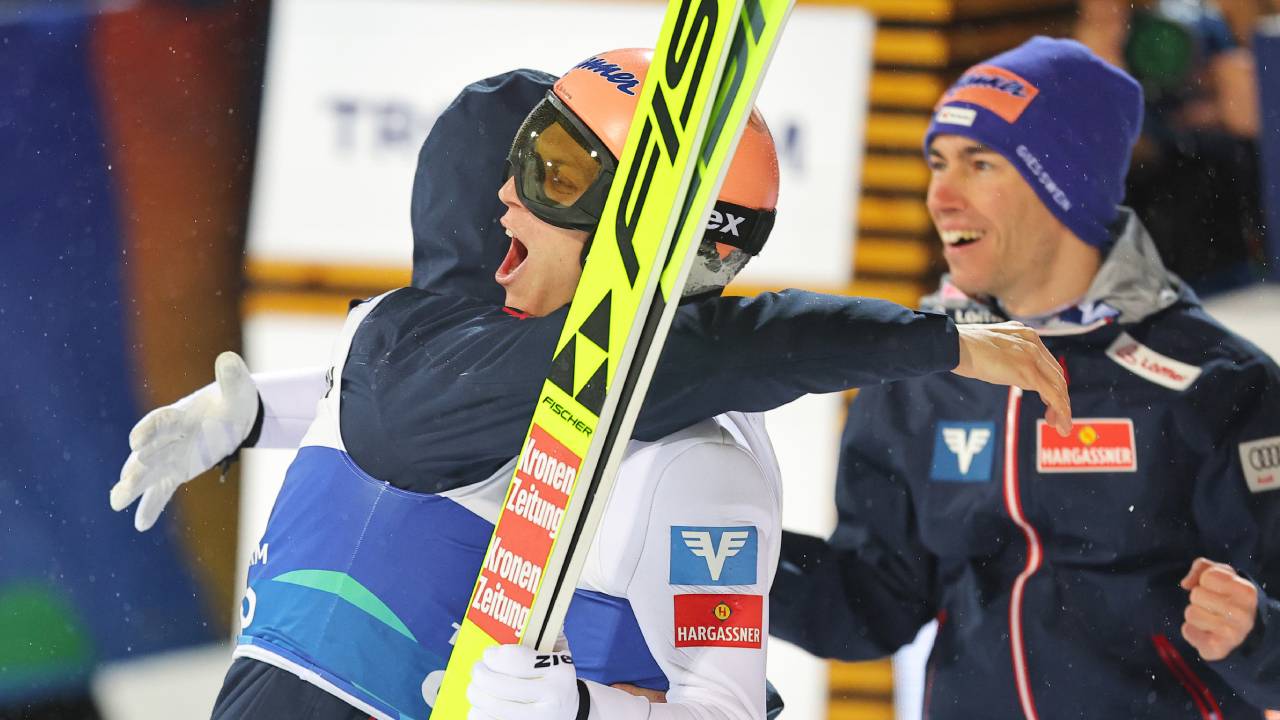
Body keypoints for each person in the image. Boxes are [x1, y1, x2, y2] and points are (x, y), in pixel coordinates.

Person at [111, 51, 1071, 720]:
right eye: (527, 152)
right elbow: (383, 394)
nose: (507, 194)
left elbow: (723, 704)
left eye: (555, 169)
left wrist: (581, 707)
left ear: (648, 228)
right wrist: (248, 416)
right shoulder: (412, 342)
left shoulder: (697, 464)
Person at [769, 36, 1280, 718]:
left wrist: (1255, 634)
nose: (941, 196)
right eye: (937, 163)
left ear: (1063, 184)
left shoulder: (1217, 384)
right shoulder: (917, 374)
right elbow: (872, 609)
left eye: (980, 164)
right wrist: (736, 557)